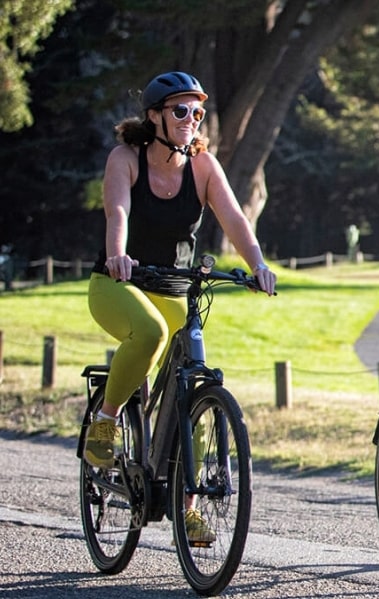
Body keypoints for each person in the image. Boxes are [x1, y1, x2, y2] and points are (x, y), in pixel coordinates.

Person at [84, 71, 276, 540]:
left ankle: (187, 506)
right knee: (148, 332)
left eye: (197, 112)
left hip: (174, 288)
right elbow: (118, 212)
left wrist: (257, 265)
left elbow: (234, 217)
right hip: (118, 282)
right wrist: (117, 254)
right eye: (181, 110)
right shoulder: (125, 159)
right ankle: (107, 420)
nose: (191, 119)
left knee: (195, 382)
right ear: (155, 117)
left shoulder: (203, 166)